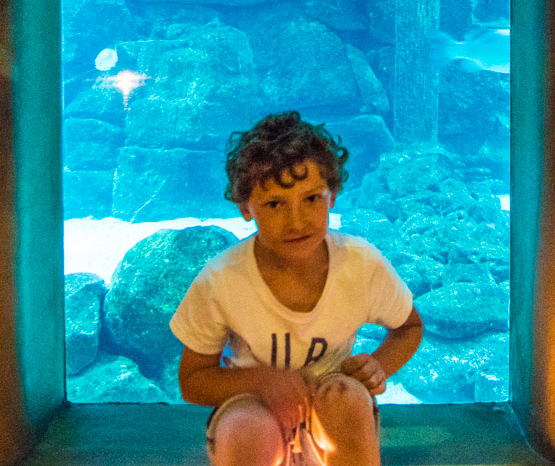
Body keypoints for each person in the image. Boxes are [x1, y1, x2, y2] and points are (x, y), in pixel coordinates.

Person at [169, 111, 424, 466]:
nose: (297, 220)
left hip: (332, 401)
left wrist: (378, 366)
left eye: (311, 199)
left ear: (332, 196)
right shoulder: (221, 280)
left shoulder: (361, 264)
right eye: (274, 204)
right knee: (247, 427)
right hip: (253, 402)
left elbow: (409, 327)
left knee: (347, 401)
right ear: (245, 208)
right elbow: (193, 381)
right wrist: (262, 381)